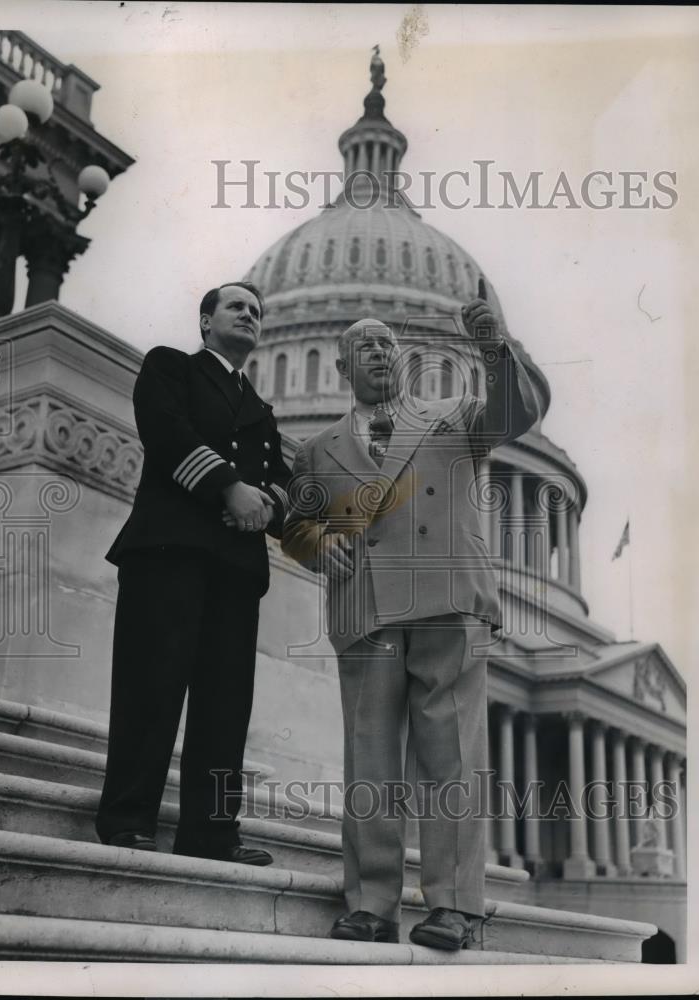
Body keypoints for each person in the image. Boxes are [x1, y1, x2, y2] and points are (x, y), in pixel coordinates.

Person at [281, 288, 539, 948]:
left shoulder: (454, 418)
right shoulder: (316, 450)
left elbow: (518, 413)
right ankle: (369, 903)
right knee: (370, 765)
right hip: (366, 610)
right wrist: (318, 542)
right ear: (338, 366)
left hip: (446, 600)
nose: (378, 351)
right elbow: (296, 525)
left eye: (387, 344)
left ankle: (453, 905)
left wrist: (493, 344)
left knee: (451, 759)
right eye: (363, 344)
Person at [96, 281, 291, 866]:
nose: (249, 316)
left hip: (235, 565)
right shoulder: (170, 367)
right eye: (236, 307)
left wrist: (268, 507)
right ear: (206, 322)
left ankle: (211, 832)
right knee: (150, 687)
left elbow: (282, 483)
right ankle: (128, 818)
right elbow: (165, 431)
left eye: (256, 311)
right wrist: (230, 489)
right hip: (169, 549)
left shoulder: (260, 410)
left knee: (225, 704)